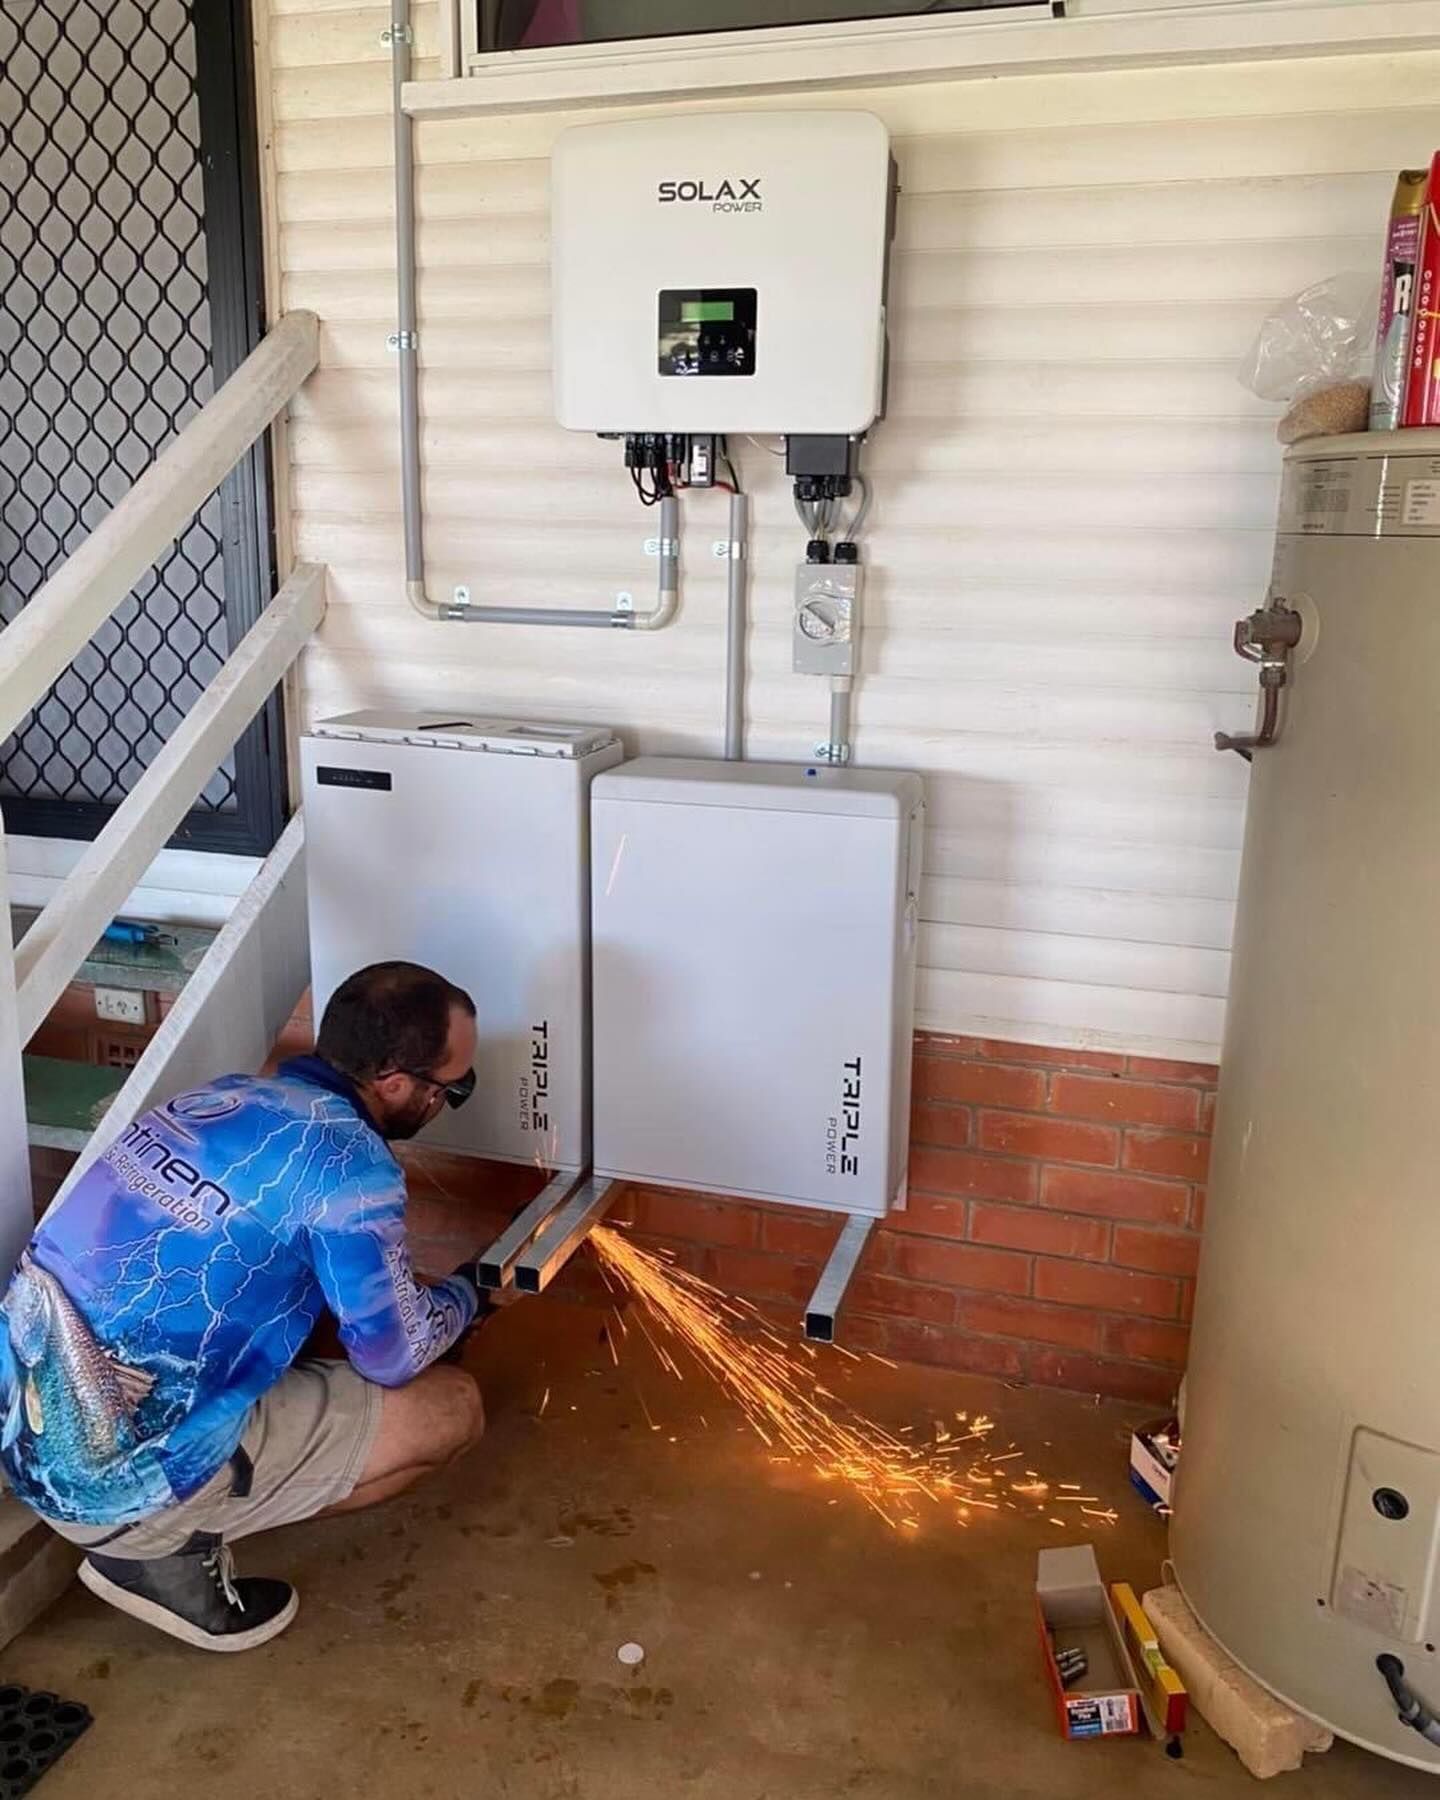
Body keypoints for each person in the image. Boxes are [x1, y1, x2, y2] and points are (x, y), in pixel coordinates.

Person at [0, 961, 495, 1653]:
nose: (450, 1099)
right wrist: (466, 1298)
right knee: (452, 1408)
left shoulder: (223, 1098)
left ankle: (164, 1520)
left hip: (21, 1428)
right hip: (109, 1481)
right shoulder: (351, 1167)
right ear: (394, 1084)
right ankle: (164, 1552)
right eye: (453, 1087)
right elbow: (393, 1355)